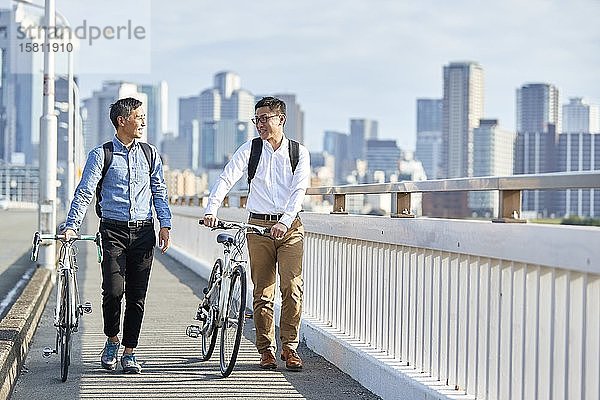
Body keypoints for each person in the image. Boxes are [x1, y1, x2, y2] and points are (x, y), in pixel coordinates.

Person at [63, 97, 172, 374]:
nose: (143, 122)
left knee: (137, 296)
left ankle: (129, 351)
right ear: (122, 120)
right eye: (139, 116)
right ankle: (111, 340)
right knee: (113, 291)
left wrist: (165, 224)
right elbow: (85, 192)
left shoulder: (150, 154)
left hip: (144, 232)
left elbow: (159, 191)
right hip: (112, 231)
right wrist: (72, 225)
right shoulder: (101, 154)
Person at [203, 96, 310, 371]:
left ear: (281, 119)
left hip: (290, 229)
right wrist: (211, 209)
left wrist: (285, 222)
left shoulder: (299, 153)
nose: (260, 124)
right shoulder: (250, 150)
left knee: (293, 288)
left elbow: (298, 192)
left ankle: (290, 347)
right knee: (263, 292)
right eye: (257, 119)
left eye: (265, 118)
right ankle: (267, 350)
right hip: (258, 228)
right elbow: (227, 177)